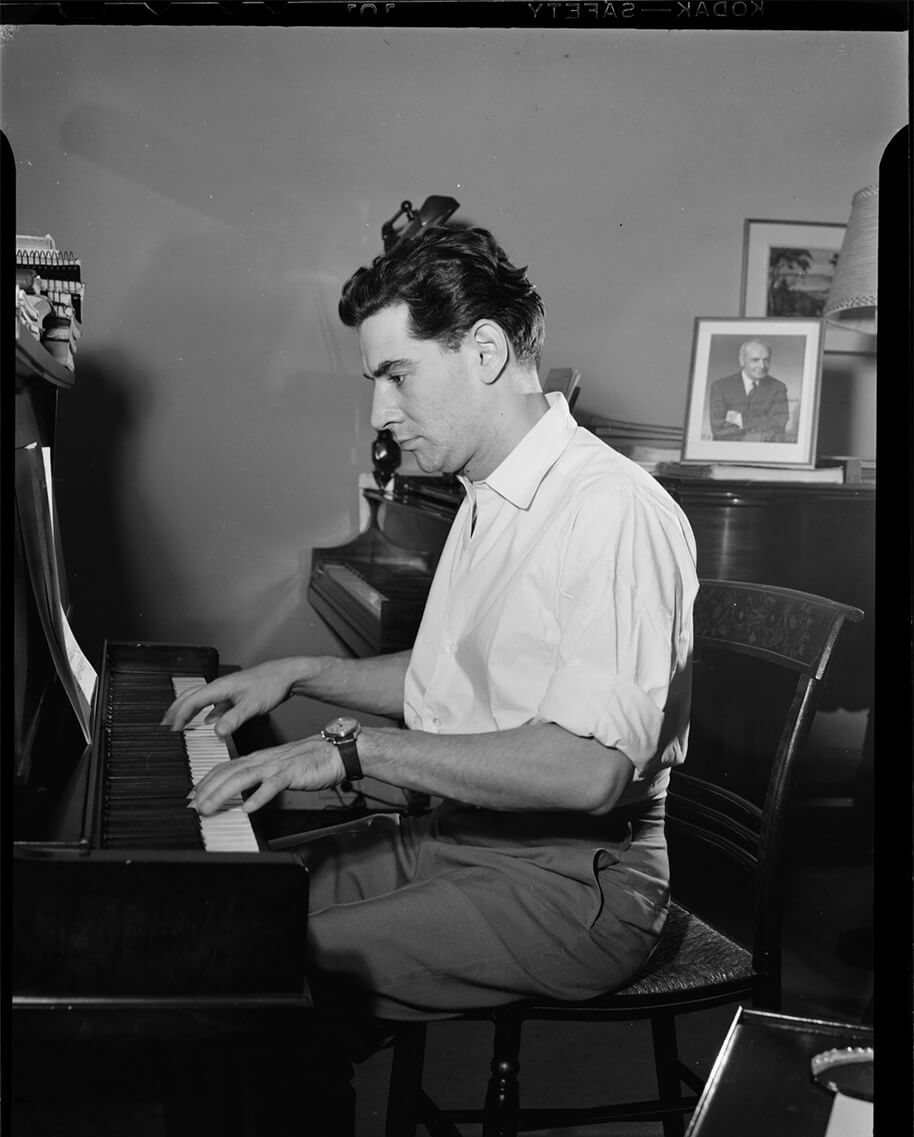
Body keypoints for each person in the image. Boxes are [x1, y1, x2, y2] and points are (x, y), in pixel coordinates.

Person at [164, 223, 697, 1087]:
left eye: (395, 375)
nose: (379, 412)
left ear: (484, 350)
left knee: (256, 969)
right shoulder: (487, 491)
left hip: (579, 882)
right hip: (462, 835)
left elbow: (588, 769)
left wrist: (350, 749)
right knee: (220, 907)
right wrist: (298, 673)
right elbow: (445, 682)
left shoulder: (609, 510)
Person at [707, 339, 789, 442]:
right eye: (755, 360)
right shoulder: (720, 387)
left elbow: (778, 424)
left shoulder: (778, 387)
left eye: (766, 360)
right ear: (742, 361)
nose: (762, 366)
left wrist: (739, 419)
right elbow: (718, 427)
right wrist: (758, 429)